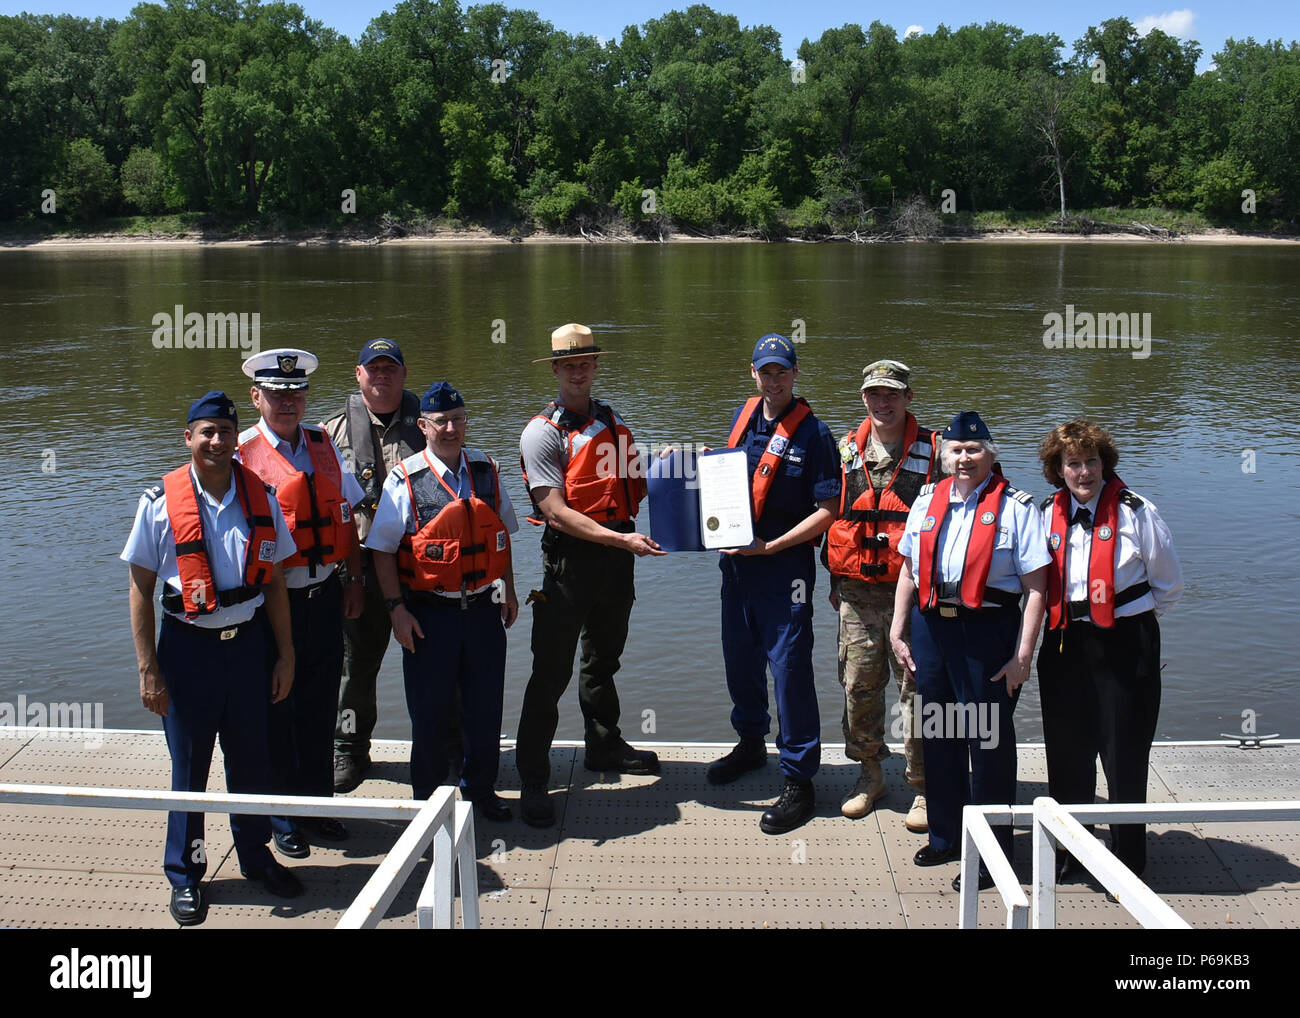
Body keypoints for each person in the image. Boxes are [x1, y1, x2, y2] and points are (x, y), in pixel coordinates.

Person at [123, 390, 303, 926]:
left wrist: (286, 655)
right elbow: (139, 588)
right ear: (189, 438)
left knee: (252, 761)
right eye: (207, 432)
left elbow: (273, 585)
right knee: (190, 769)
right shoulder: (160, 501)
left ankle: (255, 858)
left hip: (248, 648)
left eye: (226, 431)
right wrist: (148, 668)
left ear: (235, 438)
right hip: (187, 652)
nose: (217, 441)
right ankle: (186, 874)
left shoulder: (262, 498)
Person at [890, 411, 1048, 891]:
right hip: (932, 629)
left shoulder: (1017, 507)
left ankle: (993, 854)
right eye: (956, 451)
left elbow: (1037, 588)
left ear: (990, 455)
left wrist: (1023, 657)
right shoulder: (928, 498)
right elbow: (909, 570)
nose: (964, 458)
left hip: (987, 632)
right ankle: (946, 837)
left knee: (987, 741)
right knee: (937, 735)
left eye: (974, 451)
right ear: (944, 456)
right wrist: (898, 629)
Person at [516, 323, 665, 829]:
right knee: (550, 672)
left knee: (603, 658)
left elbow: (636, 480)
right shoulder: (542, 432)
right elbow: (555, 511)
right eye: (569, 364)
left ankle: (603, 746)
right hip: (570, 563)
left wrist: (684, 467)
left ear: (595, 366)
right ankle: (533, 776)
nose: (578, 371)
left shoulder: (611, 419)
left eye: (586, 362)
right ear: (555, 369)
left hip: (618, 559)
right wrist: (618, 539)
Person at [1037, 420, 1183, 879]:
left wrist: (1130, 626)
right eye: (1074, 463)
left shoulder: (1137, 512)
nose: (1084, 472)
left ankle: (1127, 859)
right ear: (1058, 470)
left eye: (1092, 461)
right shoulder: (1044, 513)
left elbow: (1169, 585)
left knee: (1123, 753)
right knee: (1066, 754)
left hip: (1124, 642)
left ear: (1105, 463)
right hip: (1063, 642)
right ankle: (1072, 850)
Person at [367, 382, 520, 819]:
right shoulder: (405, 477)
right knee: (430, 713)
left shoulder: (486, 468)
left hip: (484, 610)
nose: (451, 429)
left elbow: (499, 535)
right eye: (441, 422)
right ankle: (427, 802)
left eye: (458, 419)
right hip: (429, 614)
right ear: (424, 426)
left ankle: (481, 789)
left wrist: (508, 587)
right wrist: (397, 610)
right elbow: (381, 548)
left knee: (485, 708)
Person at [708, 333, 841, 835]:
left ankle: (800, 778)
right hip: (737, 568)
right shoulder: (743, 420)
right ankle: (749, 744)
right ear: (753, 373)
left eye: (783, 370)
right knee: (739, 660)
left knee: (789, 670)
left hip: (784, 570)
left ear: (796, 373)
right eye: (766, 371)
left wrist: (773, 547)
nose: (774, 379)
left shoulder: (816, 436)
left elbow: (828, 511)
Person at [239, 348, 366, 858]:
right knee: (277, 709)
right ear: (257, 397)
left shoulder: (322, 444)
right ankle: (282, 817)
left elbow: (347, 515)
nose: (288, 402)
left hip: (325, 593)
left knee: (318, 707)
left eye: (295, 393)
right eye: (276, 393)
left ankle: (317, 806)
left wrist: (355, 577)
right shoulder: (240, 451)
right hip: (271, 605)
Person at [824, 360, 939, 830]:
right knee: (858, 686)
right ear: (864, 398)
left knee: (917, 692)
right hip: (856, 592)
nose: (883, 403)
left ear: (908, 398)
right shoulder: (842, 451)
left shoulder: (940, 451)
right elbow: (827, 515)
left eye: (892, 394)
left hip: (914, 598)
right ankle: (869, 775)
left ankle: (924, 786)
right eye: (874, 394)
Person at [324, 338, 426, 793]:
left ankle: (446, 745)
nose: (382, 376)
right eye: (373, 369)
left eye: (391, 368)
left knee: (434, 659)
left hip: (420, 563)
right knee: (355, 667)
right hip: (358, 563)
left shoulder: (430, 425)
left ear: (404, 375)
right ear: (358, 374)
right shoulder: (329, 434)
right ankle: (349, 748)